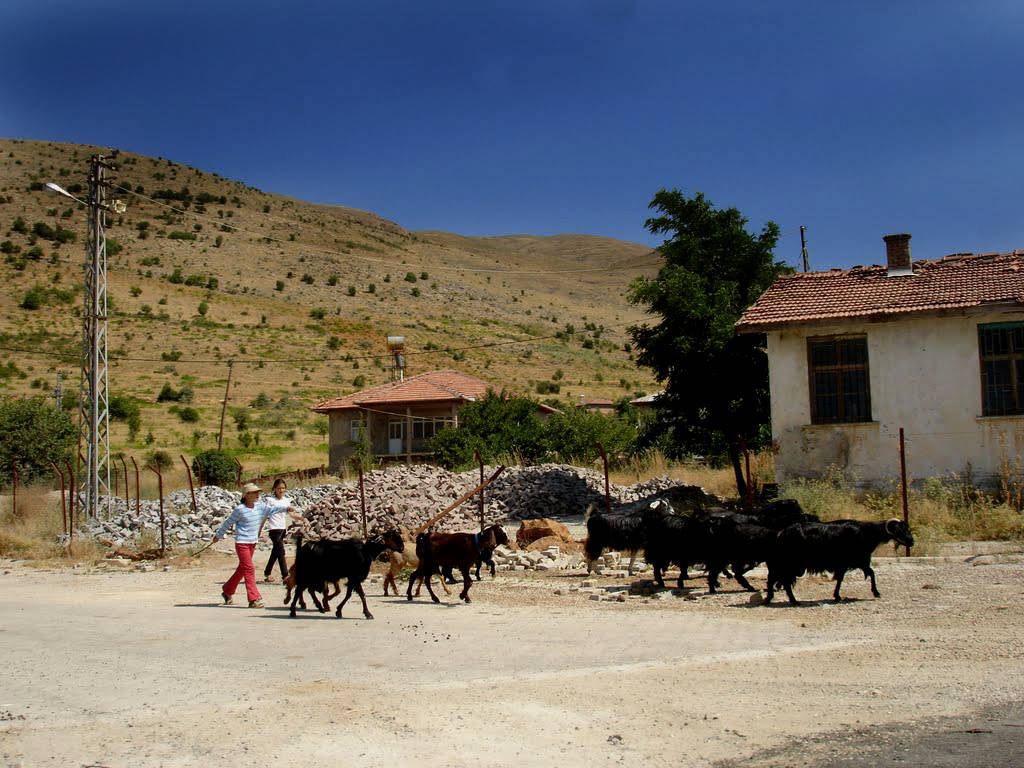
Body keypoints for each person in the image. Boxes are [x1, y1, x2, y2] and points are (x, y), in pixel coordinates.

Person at [212, 482, 272, 608]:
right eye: (254, 492)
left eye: (258, 492)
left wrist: (286, 508)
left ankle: (227, 590)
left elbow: (272, 510)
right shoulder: (240, 509)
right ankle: (253, 599)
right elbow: (228, 523)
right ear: (246, 495)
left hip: (252, 543)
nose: (257, 494)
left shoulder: (259, 506)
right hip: (242, 543)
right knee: (249, 569)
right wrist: (218, 535)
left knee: (242, 569)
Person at [259, 478, 302, 583]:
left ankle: (267, 573)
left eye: (283, 488)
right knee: (281, 552)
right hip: (274, 530)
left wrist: (301, 518)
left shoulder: (287, 500)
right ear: (275, 489)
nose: (281, 490)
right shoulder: (270, 500)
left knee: (275, 552)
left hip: (283, 529)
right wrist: (259, 529)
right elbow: (264, 516)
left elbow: (291, 514)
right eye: (279, 488)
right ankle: (285, 576)